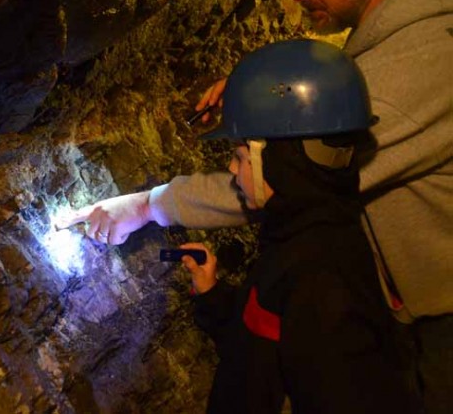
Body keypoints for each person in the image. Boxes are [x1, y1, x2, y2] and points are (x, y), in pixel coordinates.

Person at [58, 0, 452, 411]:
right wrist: (263, 92)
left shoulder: (427, 61)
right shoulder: (393, 30)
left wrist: (149, 205)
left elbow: (295, 175)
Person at [175, 38, 418, 414]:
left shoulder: (322, 284)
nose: (232, 169)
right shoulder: (299, 242)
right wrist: (212, 296)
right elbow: (263, 353)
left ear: (281, 165)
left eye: (240, 156)